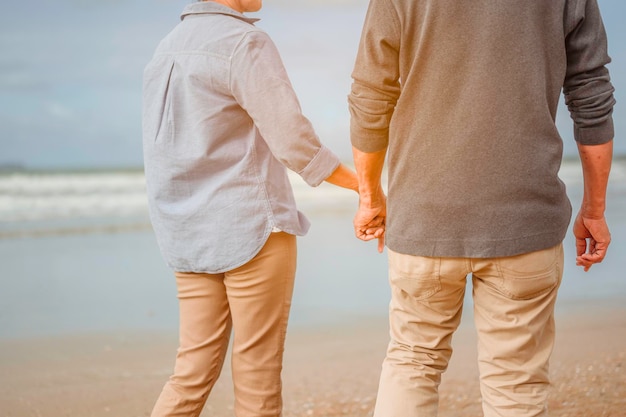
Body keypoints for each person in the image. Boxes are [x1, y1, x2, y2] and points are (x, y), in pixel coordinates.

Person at [348, 0, 615, 416]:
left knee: (412, 362)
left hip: (424, 214)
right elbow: (590, 90)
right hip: (526, 216)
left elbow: (370, 93)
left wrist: (370, 197)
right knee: (516, 384)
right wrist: (594, 210)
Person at [141, 1, 359, 416]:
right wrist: (363, 187)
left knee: (190, 372)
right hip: (250, 228)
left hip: (185, 234)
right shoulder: (244, 41)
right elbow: (294, 140)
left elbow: (161, 155)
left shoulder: (165, 48)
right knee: (258, 372)